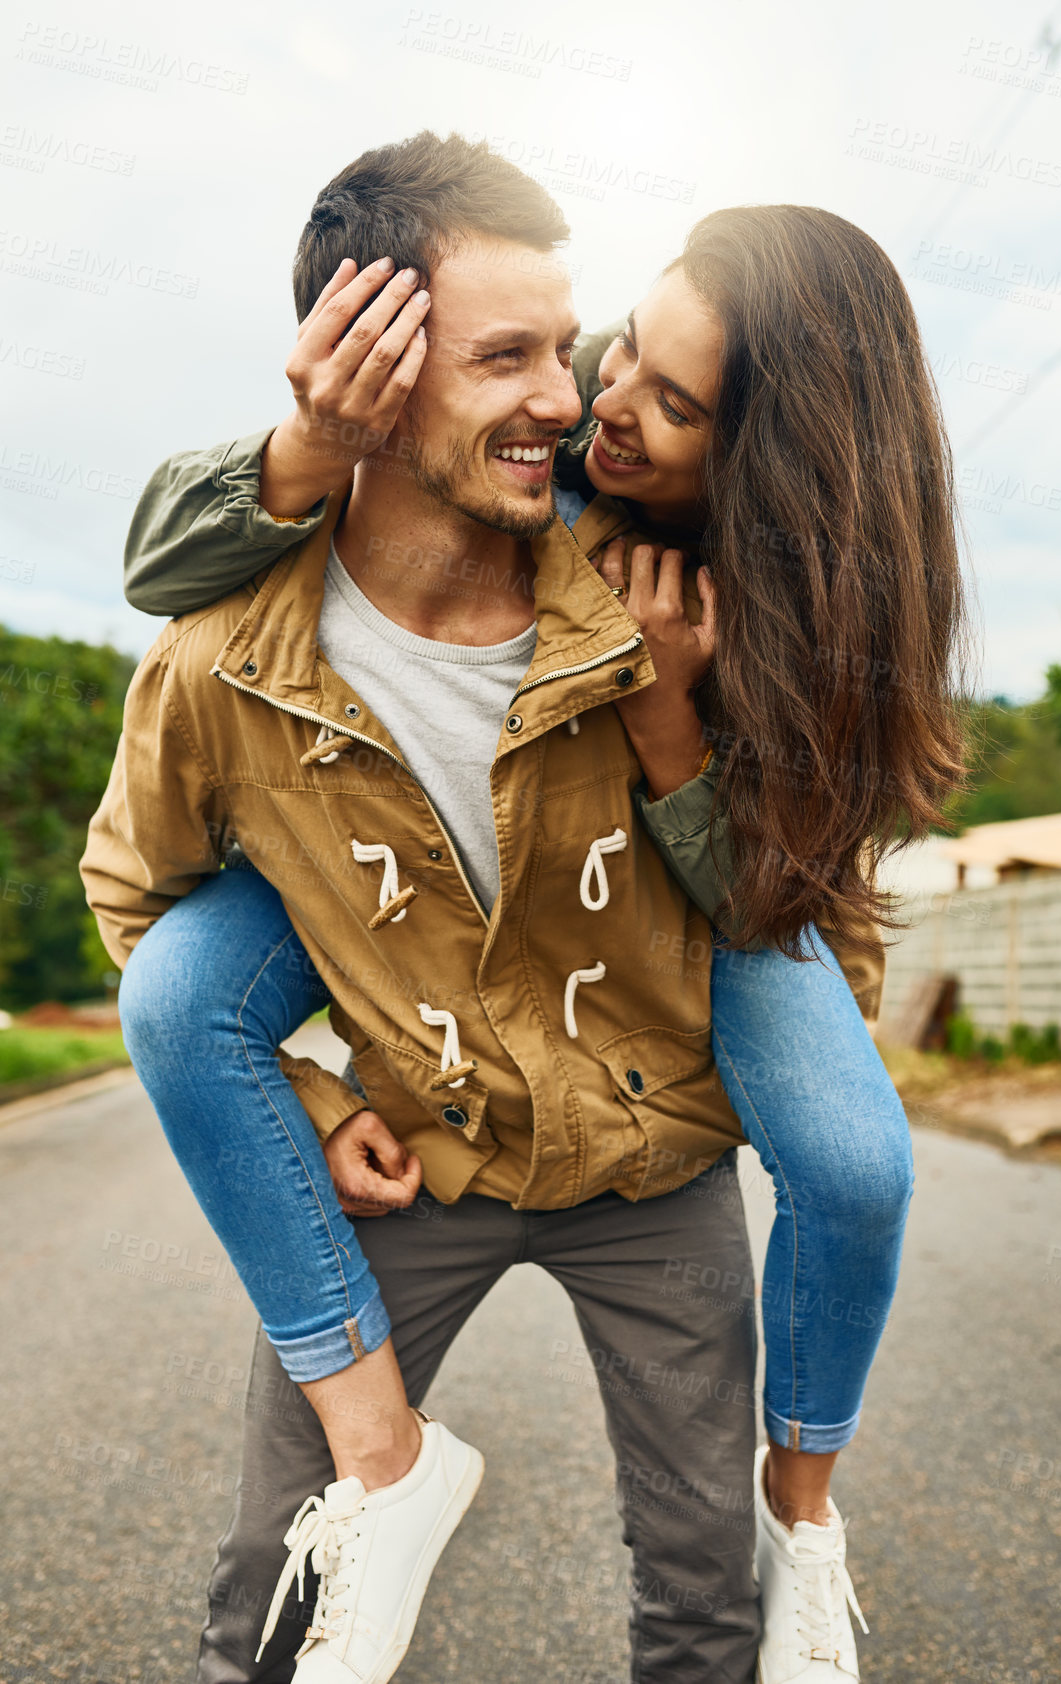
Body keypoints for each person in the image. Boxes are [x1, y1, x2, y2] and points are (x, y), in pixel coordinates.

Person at [94, 135, 967, 1684]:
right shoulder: (258, 620)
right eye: (584, 348)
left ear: (752, 460)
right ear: (379, 372)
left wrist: (672, 729)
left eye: (652, 393)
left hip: (660, 1093)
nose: (590, 402)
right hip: (421, 1098)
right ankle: (387, 1465)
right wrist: (299, 1086)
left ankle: (805, 1523)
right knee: (272, 1602)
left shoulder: (723, 604)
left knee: (849, 1177)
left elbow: (797, 896)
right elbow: (160, 629)